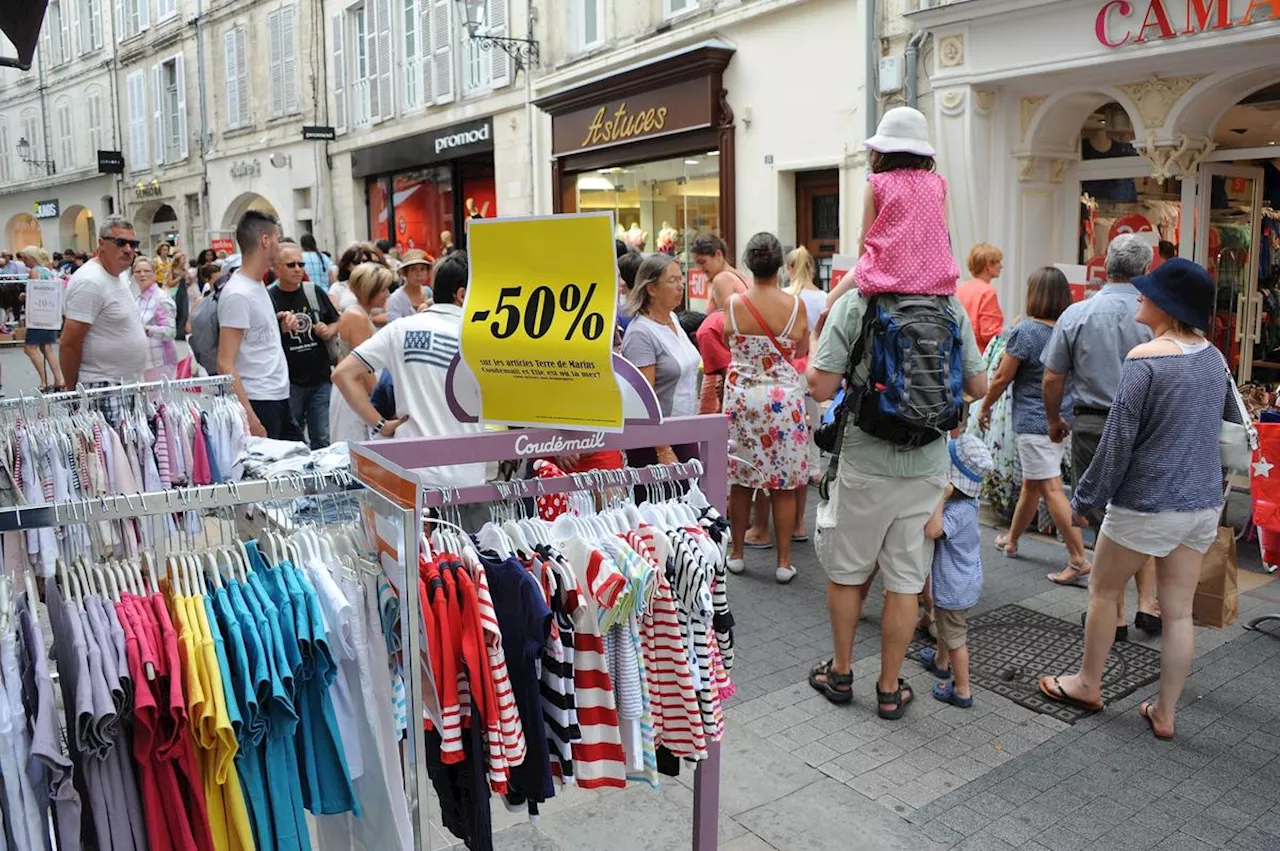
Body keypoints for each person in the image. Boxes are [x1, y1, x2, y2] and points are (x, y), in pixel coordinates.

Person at [1040, 259, 1236, 739]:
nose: (1138, 296)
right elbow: (1230, 420)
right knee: (1178, 612)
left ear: (1167, 306)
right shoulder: (1215, 359)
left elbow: (1117, 440)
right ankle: (1165, 714)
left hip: (1146, 502)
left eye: (1147, 292)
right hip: (1201, 503)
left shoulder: (1145, 359)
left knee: (1104, 590)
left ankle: (1088, 682)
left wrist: (1086, 497)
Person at [807, 276, 987, 715]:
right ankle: (889, 689)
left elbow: (820, 387)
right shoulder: (949, 306)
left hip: (865, 461)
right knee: (906, 579)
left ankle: (842, 672)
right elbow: (979, 387)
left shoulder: (858, 302)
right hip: (926, 464)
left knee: (848, 571)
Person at [1042, 233, 1160, 633]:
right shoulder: (1157, 317)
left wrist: (1054, 420)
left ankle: (1117, 612)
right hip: (1144, 425)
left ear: (1107, 265)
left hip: (1093, 422)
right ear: (1146, 270)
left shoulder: (1077, 314)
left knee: (1104, 515)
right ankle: (1148, 603)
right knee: (1140, 511)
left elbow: (1052, 377)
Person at [331, 252, 486, 490]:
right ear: (462, 294)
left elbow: (342, 374)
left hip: (409, 473)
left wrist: (379, 424)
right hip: (466, 475)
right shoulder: (482, 337)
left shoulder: (401, 329)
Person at [979, 267, 1090, 578]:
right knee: (1034, 483)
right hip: (1063, 419)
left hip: (1034, 421)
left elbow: (1002, 376)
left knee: (1051, 488)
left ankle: (1079, 558)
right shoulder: (1069, 328)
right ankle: (1012, 540)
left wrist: (985, 406)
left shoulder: (1025, 332)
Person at [723, 233, 810, 584]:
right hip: (783, 402)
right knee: (783, 484)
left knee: (741, 480)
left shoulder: (733, 304)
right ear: (780, 265)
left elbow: (728, 339)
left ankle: (738, 553)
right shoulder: (796, 306)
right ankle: (784, 561)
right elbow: (801, 350)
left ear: (748, 262)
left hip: (743, 400)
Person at [852, 106, 960, 298]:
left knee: (831, 303)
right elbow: (944, 232)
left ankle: (817, 330)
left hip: (883, 279)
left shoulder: (877, 183)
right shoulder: (939, 184)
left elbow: (864, 238)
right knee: (963, 324)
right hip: (934, 284)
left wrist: (860, 275)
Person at [919, 433, 993, 708]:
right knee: (945, 625)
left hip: (955, 585)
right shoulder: (968, 503)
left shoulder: (959, 510)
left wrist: (940, 493)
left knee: (955, 637)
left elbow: (933, 530)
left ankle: (962, 690)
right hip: (960, 580)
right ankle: (940, 662)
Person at [217, 210, 301, 441]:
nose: (279, 245)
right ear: (265, 240)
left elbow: (253, 338)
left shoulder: (256, 285)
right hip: (259, 400)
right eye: (277, 238)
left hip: (277, 395)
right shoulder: (238, 293)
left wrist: (279, 327)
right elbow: (225, 363)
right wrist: (250, 418)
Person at [621, 254, 703, 474]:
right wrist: (663, 448)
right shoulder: (641, 333)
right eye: (673, 280)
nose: (681, 286)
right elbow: (643, 400)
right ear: (651, 289)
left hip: (683, 430)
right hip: (658, 441)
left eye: (681, 279)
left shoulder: (672, 319)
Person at [60, 217, 148, 416]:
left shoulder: (119, 276)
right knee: (111, 447)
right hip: (103, 387)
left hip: (125, 384)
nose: (128, 249)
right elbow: (69, 342)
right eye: (120, 243)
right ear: (101, 243)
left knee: (129, 447)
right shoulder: (90, 281)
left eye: (133, 244)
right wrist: (73, 390)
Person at [269, 242, 341, 449]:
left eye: (301, 264)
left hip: (320, 377)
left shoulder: (313, 291)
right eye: (291, 265)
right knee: (294, 440)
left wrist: (329, 330)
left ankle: (323, 480)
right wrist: (280, 327)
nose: (298, 269)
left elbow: (337, 320)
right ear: (277, 267)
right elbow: (260, 338)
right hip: (288, 381)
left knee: (322, 438)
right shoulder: (269, 297)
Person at [329, 262, 393, 444]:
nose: (387, 294)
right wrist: (378, 404)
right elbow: (364, 368)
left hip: (355, 391)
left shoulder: (358, 314)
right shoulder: (356, 316)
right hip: (356, 393)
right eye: (382, 290)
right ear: (369, 290)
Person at [17, 247, 64, 390]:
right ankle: (59, 378)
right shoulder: (48, 271)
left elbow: (37, 292)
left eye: (25, 258)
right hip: (49, 314)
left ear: (31, 258)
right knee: (47, 347)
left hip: (38, 314)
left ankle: (45, 380)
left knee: (30, 348)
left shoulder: (34, 272)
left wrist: (24, 296)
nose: (23, 261)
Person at [133, 256, 179, 381]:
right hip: (144, 361)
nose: (142, 275)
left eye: (147, 271)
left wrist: (145, 330)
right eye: (138, 272)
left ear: (154, 274)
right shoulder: (137, 299)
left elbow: (170, 332)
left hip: (160, 362)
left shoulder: (161, 298)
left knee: (161, 400)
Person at [957, 243, 1005, 355]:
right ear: (988, 265)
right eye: (998, 262)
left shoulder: (961, 288)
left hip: (960, 353)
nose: (1001, 266)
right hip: (979, 356)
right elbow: (989, 333)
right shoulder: (987, 291)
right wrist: (1011, 330)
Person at [692, 234, 749, 312]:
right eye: (697, 264)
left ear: (718, 254)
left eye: (702, 262)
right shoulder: (739, 275)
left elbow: (726, 319)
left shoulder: (721, 279)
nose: (701, 268)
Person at [386, 250, 432, 321]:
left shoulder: (429, 293)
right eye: (413, 269)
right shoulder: (396, 299)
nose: (419, 274)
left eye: (422, 269)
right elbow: (395, 327)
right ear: (405, 272)